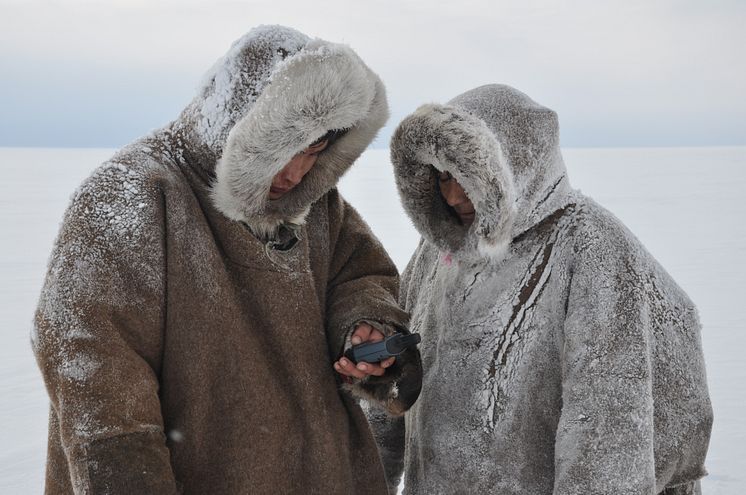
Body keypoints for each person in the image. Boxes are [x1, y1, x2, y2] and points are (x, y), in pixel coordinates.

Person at [32, 25, 421, 495]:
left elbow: (361, 275)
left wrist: (365, 329)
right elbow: (95, 377)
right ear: (241, 125)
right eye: (285, 147)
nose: (297, 172)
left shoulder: (316, 202)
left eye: (314, 150)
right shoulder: (131, 194)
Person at [371, 84, 713, 494]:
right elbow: (392, 384)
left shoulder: (589, 246)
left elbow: (605, 432)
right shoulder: (440, 248)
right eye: (444, 175)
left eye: (469, 175)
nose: (454, 194)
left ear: (517, 163)